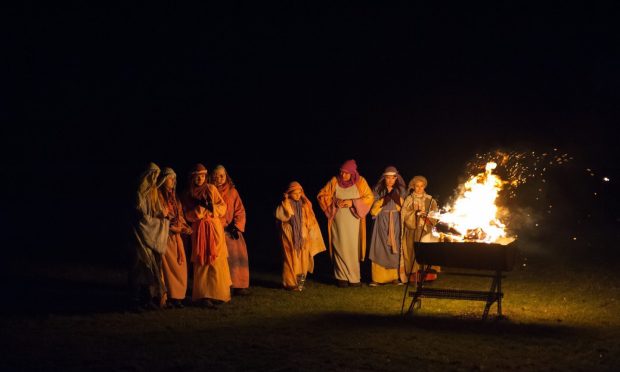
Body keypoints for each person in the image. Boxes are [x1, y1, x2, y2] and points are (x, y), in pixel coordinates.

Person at [317, 159, 374, 287]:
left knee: (352, 248)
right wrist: (335, 202)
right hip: (338, 220)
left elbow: (369, 197)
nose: (343, 175)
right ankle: (341, 278)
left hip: (354, 220)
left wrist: (353, 202)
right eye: (341, 172)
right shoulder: (334, 181)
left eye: (346, 173)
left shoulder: (361, 182)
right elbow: (322, 195)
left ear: (352, 173)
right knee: (340, 246)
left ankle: (354, 279)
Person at [182, 163, 232, 308]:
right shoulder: (188, 194)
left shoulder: (211, 188)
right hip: (200, 230)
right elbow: (187, 215)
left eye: (203, 176)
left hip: (214, 228)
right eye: (197, 177)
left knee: (216, 260)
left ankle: (218, 294)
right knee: (202, 261)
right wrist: (200, 209)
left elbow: (222, 207)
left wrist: (212, 208)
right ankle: (204, 295)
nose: (200, 179)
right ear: (193, 178)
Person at [129, 162, 169, 310]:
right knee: (138, 267)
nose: (155, 179)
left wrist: (161, 216)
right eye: (154, 175)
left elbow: (155, 211)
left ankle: (149, 299)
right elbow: (140, 217)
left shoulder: (152, 193)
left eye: (157, 176)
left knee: (150, 268)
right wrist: (153, 221)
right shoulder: (137, 194)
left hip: (149, 236)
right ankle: (134, 300)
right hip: (138, 236)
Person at [275, 182, 326, 291]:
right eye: (295, 193)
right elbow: (282, 216)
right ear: (289, 193)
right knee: (291, 260)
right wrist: (285, 200)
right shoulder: (285, 204)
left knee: (303, 261)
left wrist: (307, 233)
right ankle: (289, 284)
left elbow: (310, 220)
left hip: (303, 236)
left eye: (300, 193)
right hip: (290, 236)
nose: (298, 195)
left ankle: (300, 284)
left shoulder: (305, 205)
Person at [210, 165, 251, 296]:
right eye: (217, 176)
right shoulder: (209, 190)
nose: (220, 178)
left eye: (222, 176)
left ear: (226, 176)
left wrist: (237, 226)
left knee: (237, 256)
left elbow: (240, 210)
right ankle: (222, 285)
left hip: (230, 230)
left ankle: (239, 285)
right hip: (216, 229)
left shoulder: (232, 192)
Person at [158, 167, 192, 308]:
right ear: (164, 179)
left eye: (174, 179)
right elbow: (160, 215)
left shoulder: (174, 196)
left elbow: (179, 215)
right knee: (168, 269)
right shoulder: (159, 196)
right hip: (166, 236)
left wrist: (185, 227)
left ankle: (178, 297)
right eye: (170, 178)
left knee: (181, 267)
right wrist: (172, 226)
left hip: (176, 237)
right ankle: (170, 296)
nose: (173, 181)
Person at [368, 166, 407, 286]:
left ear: (396, 178)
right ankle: (378, 278)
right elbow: (372, 210)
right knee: (380, 246)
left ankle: (394, 277)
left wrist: (397, 200)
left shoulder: (401, 191)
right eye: (388, 178)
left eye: (392, 178)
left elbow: (405, 209)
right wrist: (383, 201)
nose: (390, 180)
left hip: (395, 221)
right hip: (382, 221)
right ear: (384, 178)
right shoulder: (377, 190)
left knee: (394, 246)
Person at [401, 175, 440, 282]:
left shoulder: (430, 199)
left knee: (427, 251)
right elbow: (404, 214)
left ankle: (428, 277)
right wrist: (415, 214)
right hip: (413, 230)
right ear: (413, 186)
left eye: (421, 186)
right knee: (413, 251)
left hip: (426, 230)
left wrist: (428, 216)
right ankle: (415, 278)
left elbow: (435, 214)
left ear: (424, 187)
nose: (419, 188)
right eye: (417, 186)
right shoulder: (409, 199)